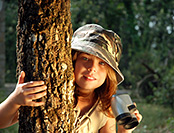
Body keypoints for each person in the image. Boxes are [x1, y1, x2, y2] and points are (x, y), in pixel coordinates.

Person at [0, 24, 142, 132]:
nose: (92, 68)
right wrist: (15, 100)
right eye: (85, 58)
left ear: (109, 73)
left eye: (102, 63)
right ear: (72, 61)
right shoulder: (51, 92)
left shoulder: (106, 108)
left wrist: (125, 130)